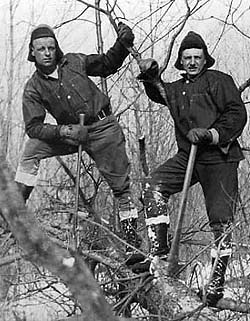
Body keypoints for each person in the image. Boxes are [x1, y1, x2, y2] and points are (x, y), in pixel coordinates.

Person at [135, 31, 247, 306]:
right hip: (189, 158)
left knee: (220, 221)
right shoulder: (177, 89)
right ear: (181, 62)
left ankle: (216, 284)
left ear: (204, 59)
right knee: (153, 187)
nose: (193, 62)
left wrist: (211, 134)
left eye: (197, 57)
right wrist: (150, 73)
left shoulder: (219, 81)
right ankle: (160, 257)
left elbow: (237, 114)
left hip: (219, 158)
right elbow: (159, 92)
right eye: (187, 58)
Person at [15, 23, 141, 253]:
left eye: (51, 48)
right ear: (32, 52)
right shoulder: (33, 87)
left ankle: (132, 243)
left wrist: (122, 44)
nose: (47, 53)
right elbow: (33, 127)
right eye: (41, 49)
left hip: (103, 129)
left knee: (121, 187)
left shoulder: (74, 61)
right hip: (73, 133)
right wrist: (63, 131)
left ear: (56, 48)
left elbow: (107, 64)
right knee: (33, 148)